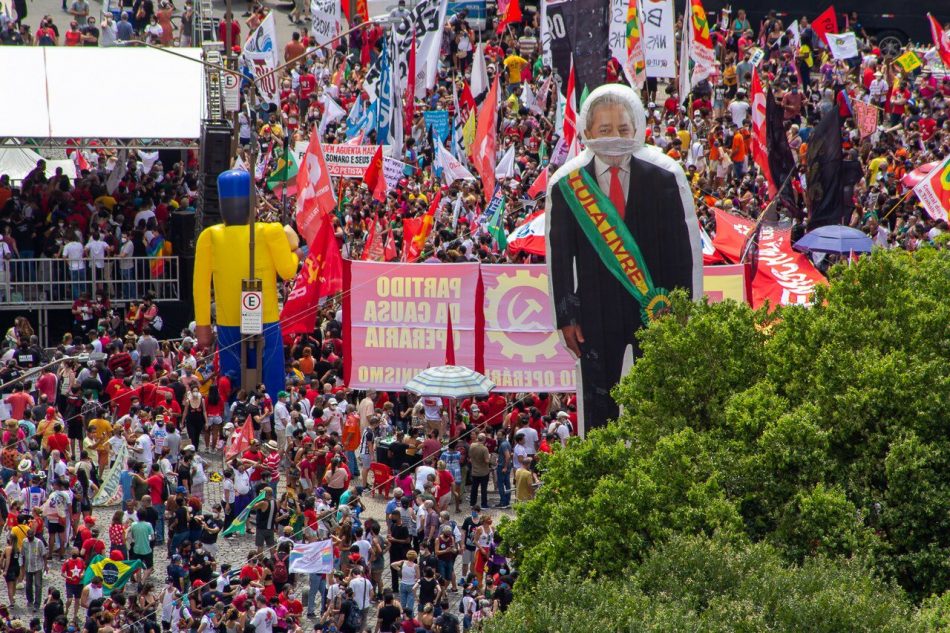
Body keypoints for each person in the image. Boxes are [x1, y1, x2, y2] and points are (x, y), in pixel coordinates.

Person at [547, 84, 702, 435]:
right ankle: (602, 474)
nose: (614, 138)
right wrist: (567, 318)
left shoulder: (664, 179)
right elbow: (560, 262)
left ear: (638, 130)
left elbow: (682, 255)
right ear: (587, 133)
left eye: (622, 129)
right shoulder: (568, 186)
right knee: (599, 406)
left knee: (659, 403)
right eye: (604, 130)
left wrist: (682, 312)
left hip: (655, 309)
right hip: (593, 315)